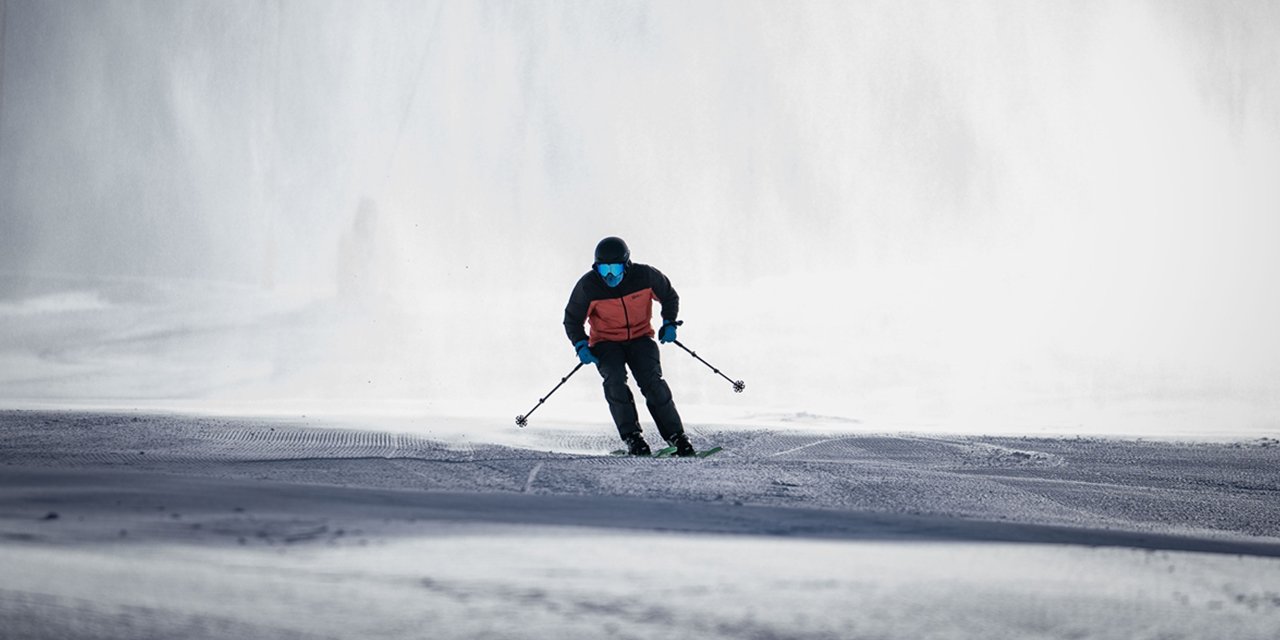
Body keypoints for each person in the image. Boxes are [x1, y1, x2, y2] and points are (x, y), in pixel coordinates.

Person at [564, 236, 696, 456]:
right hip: (605, 343)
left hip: (640, 337)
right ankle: (633, 438)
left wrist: (669, 322)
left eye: (614, 268)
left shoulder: (645, 276)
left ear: (626, 264)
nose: (609, 275)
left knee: (652, 382)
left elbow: (669, 295)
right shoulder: (588, 286)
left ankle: (677, 436)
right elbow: (572, 319)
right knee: (614, 380)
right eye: (603, 268)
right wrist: (581, 345)